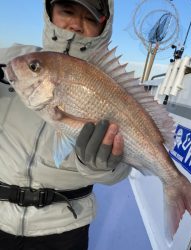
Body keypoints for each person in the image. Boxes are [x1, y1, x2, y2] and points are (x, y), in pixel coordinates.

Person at [0, 0, 131, 249]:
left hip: (64, 227)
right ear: (49, 14)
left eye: (90, 18)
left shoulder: (114, 84)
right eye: (67, 11)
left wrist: (102, 166)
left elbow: (124, 168)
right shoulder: (13, 59)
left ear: (105, 25)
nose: (75, 25)